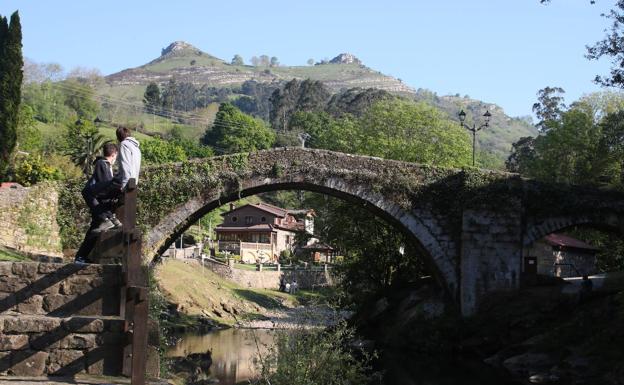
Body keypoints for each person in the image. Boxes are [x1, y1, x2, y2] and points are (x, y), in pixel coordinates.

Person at [75, 142, 121, 263]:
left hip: (99, 203)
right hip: (98, 203)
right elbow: (105, 184)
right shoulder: (103, 164)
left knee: (94, 230)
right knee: (95, 230)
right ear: (114, 153)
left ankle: (81, 257)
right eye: (117, 155)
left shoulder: (105, 165)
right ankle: (80, 257)